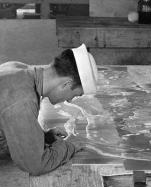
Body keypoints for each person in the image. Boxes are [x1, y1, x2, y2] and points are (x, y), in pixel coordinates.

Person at [0, 44, 97, 176]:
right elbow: (36, 165)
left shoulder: (18, 68)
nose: (69, 100)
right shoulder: (23, 101)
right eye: (74, 95)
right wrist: (70, 145)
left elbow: (8, 120)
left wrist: (42, 137)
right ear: (66, 84)